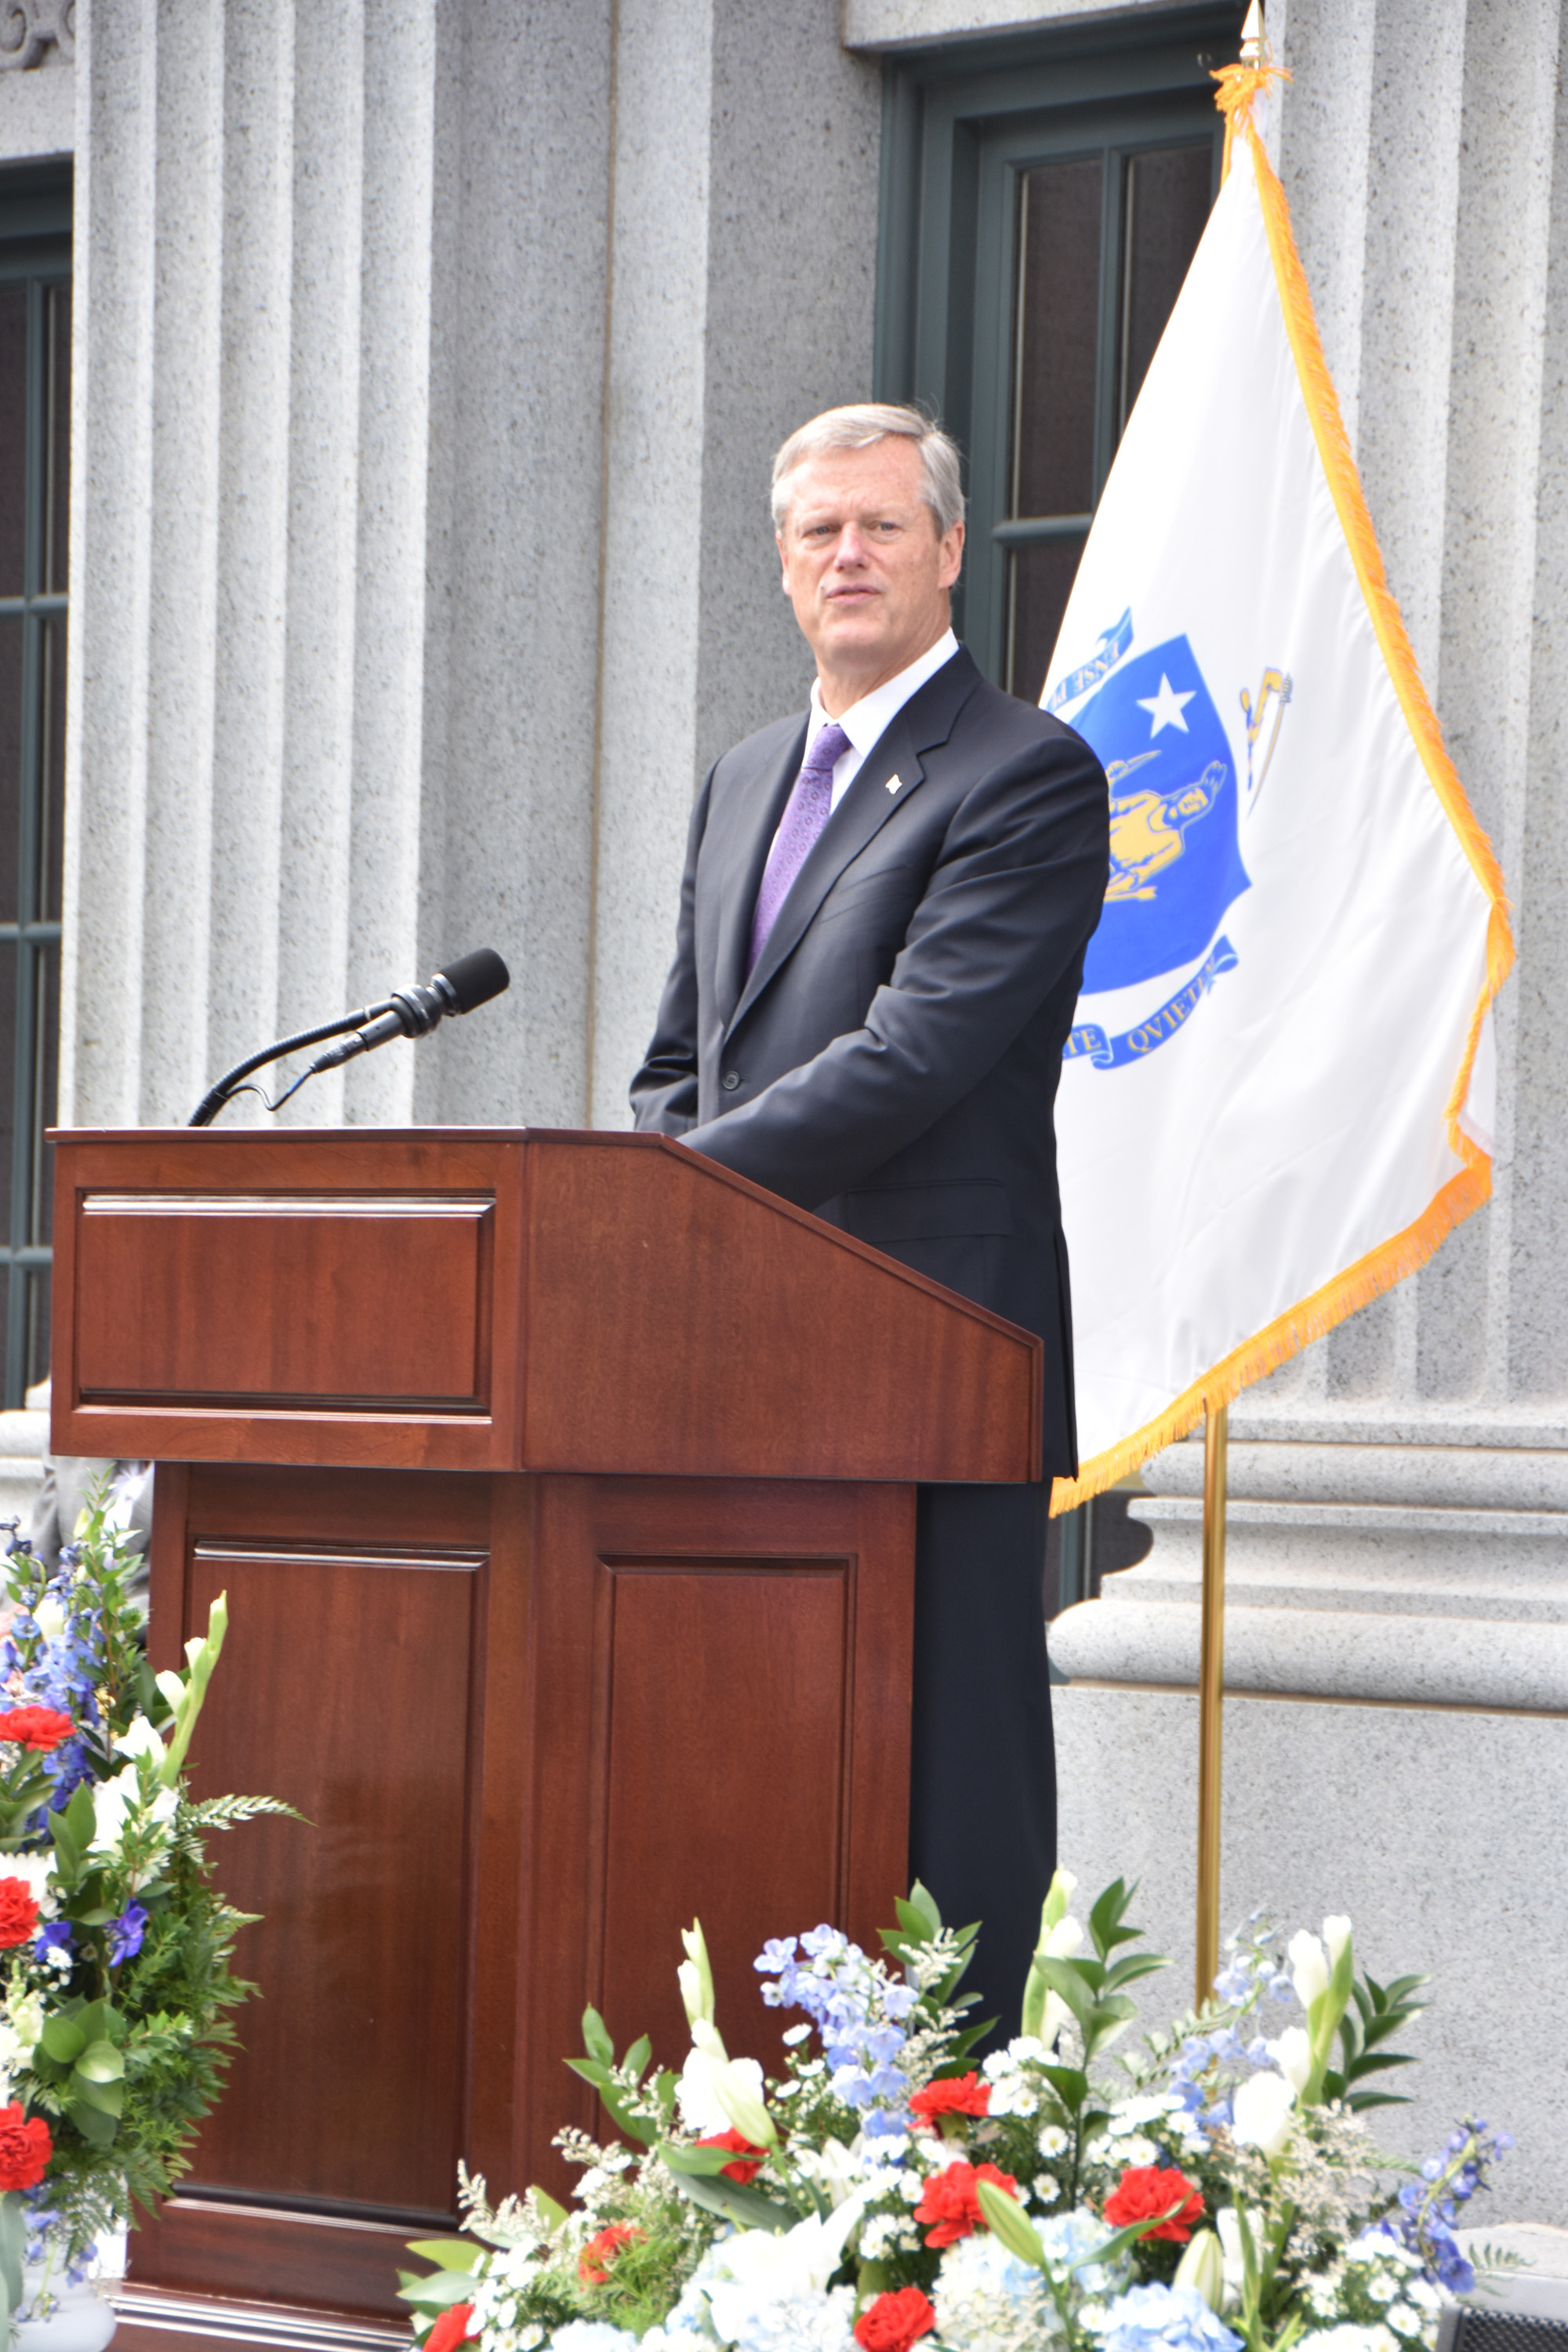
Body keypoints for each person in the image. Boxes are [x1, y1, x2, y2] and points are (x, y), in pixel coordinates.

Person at [631, 403, 1109, 2027]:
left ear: (950, 552)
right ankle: (771, 2108)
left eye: (881, 527)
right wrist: (658, 1185)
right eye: (817, 531)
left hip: (931, 1356)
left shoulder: (1025, 772)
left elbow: (912, 1055)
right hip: (737, 1371)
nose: (848, 554)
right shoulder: (744, 775)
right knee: (759, 1749)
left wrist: (670, 1195)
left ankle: (961, 2111)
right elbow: (675, 1058)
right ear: (779, 566)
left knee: (951, 1763)